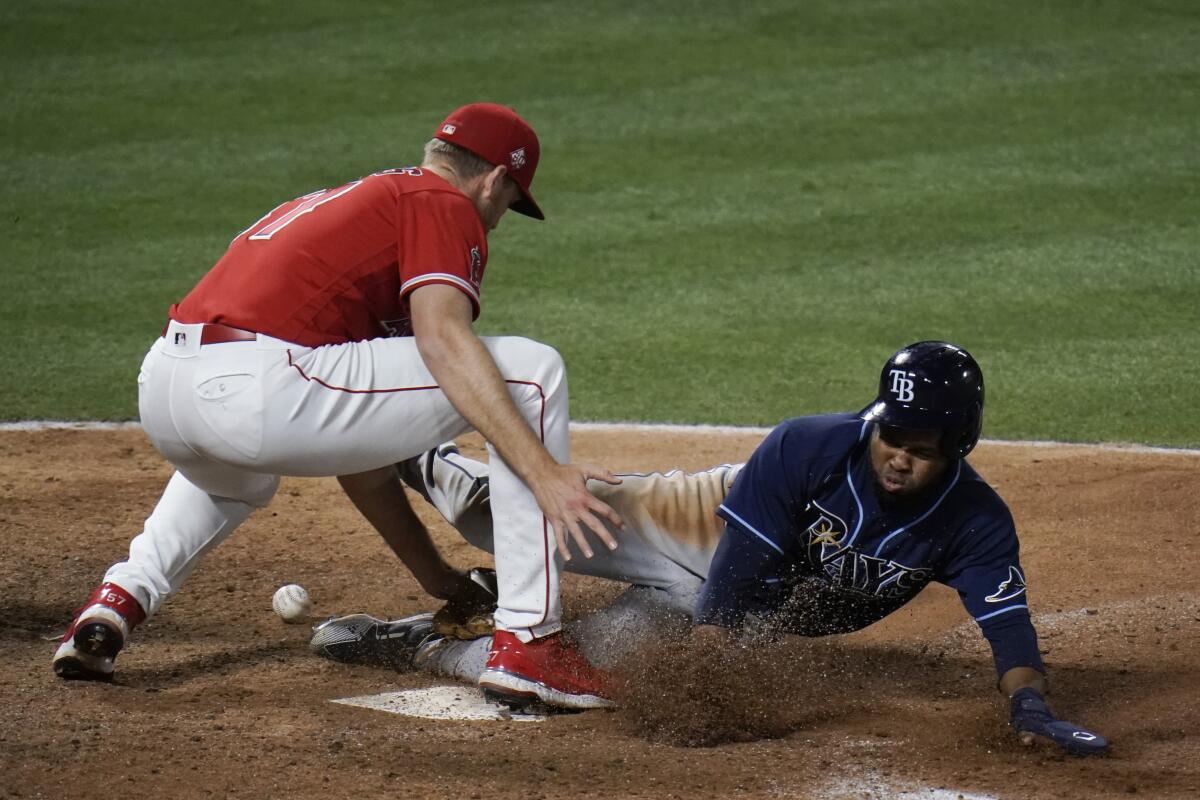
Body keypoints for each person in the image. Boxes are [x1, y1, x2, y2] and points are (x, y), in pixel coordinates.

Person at [53, 102, 625, 711]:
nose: (497, 221)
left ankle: (116, 602)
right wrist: (544, 473)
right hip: (262, 382)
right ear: (494, 180)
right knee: (530, 375)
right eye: (508, 204)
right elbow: (443, 339)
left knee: (233, 475)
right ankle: (531, 645)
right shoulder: (442, 202)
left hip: (169, 385)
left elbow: (362, 458)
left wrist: (441, 582)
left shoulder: (349, 203)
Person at [312, 341, 1109, 754]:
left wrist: (1027, 702)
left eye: (921, 445)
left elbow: (1007, 622)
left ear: (959, 446)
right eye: (890, 434)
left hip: (716, 602)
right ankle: (411, 452)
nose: (898, 454)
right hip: (698, 523)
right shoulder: (810, 446)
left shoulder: (974, 521)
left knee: (571, 670)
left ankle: (415, 641)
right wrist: (709, 671)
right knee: (505, 517)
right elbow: (742, 564)